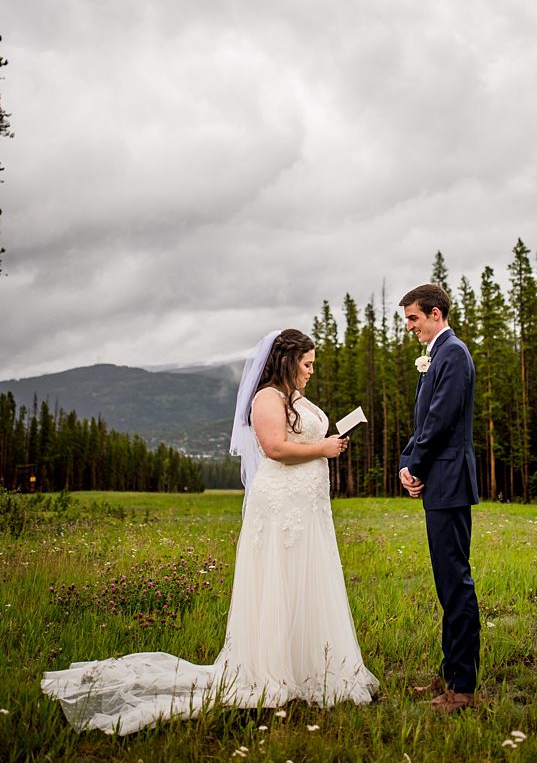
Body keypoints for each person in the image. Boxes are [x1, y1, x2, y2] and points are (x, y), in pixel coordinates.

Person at [41, 328, 378, 734]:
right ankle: (271, 671)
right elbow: (273, 448)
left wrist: (328, 442)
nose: (310, 371)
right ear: (288, 361)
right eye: (306, 364)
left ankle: (312, 667)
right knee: (278, 580)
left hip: (307, 506)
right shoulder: (266, 398)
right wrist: (322, 449)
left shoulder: (296, 400)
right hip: (280, 504)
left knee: (307, 581)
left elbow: (300, 436)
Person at [395, 282, 483, 713]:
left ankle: (462, 688)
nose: (409, 326)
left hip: (449, 482)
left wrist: (418, 466)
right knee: (446, 584)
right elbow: (423, 424)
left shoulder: (454, 354)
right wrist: (406, 464)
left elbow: (442, 421)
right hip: (437, 480)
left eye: (413, 318)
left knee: (456, 584)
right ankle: (450, 673)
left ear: (435, 313)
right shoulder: (437, 356)